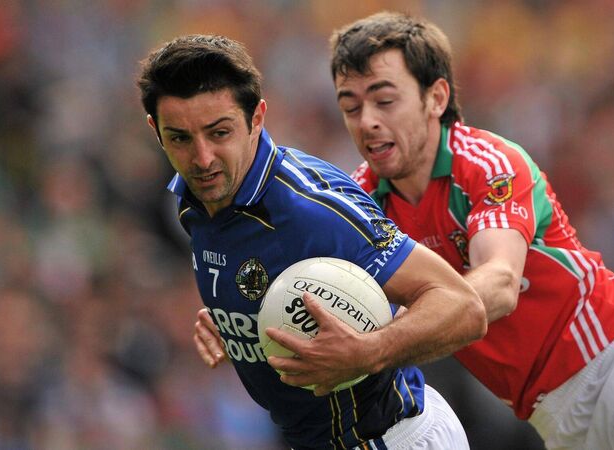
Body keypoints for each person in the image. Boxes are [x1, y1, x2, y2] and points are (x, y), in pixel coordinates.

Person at [194, 12, 614, 450]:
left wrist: (376, 346)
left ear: (436, 97)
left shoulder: (485, 164)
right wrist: (245, 319)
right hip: (557, 421)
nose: (367, 122)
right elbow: (316, 288)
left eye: (385, 100)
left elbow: (498, 286)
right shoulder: (355, 202)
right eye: (351, 106)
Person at [138, 34, 487, 450]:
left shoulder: (311, 212)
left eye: (219, 132)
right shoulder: (192, 200)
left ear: (256, 118)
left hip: (389, 437)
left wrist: (370, 350)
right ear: (156, 131)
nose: (202, 158)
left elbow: (463, 306)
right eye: (180, 138)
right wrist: (239, 322)